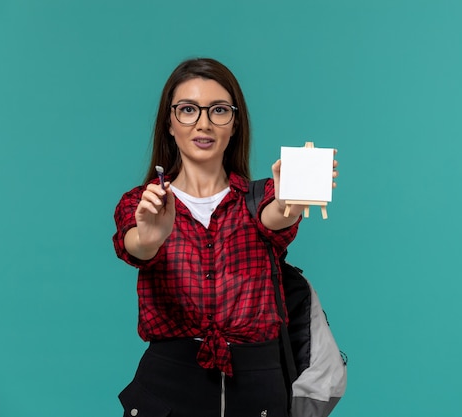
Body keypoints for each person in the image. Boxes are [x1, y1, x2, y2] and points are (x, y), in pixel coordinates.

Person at [112, 57, 338, 417]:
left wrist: (290, 203)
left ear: (234, 123)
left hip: (257, 390)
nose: (203, 123)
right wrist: (151, 236)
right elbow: (136, 245)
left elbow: (275, 217)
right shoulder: (143, 202)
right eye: (188, 110)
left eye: (218, 110)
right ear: (169, 123)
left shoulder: (259, 197)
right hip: (168, 387)